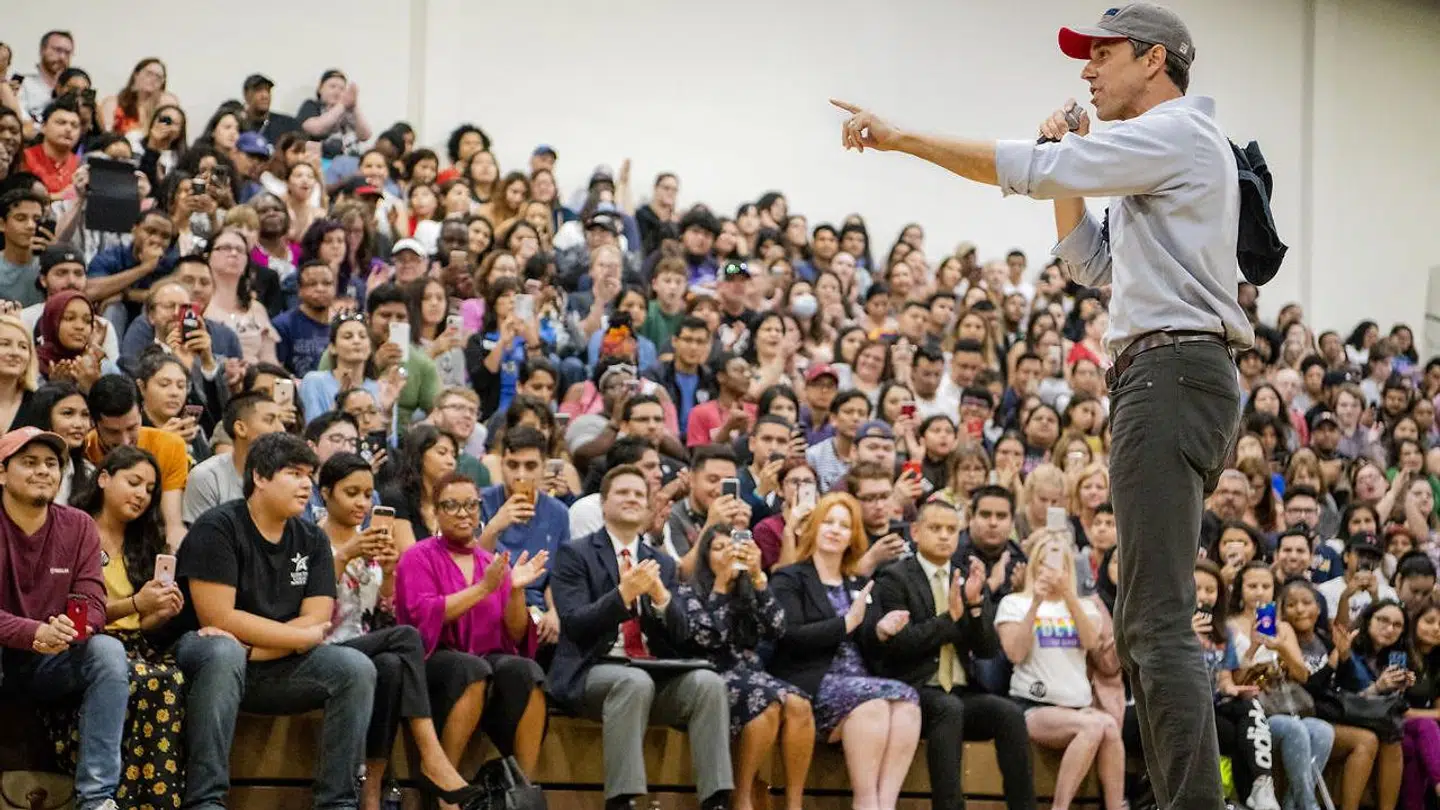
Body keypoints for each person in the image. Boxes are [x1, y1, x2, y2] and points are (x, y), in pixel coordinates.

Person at [831, 7, 1252, 805]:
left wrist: (902, 137)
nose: (1086, 72)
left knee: (1155, 625)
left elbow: (1020, 167)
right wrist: (1068, 163)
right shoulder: (1157, 153)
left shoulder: (1177, 135)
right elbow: (1088, 265)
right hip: (1171, 373)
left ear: (1154, 60)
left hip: (1168, 373)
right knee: (1148, 623)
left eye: (1103, 56)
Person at [167, 432, 377, 810]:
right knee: (222, 650)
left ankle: (338, 803)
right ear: (260, 478)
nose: (305, 485)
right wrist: (293, 639)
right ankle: (205, 800)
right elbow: (219, 617)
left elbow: (318, 621)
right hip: (204, 658)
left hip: (270, 660)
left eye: (309, 475)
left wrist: (259, 647)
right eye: (294, 473)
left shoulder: (311, 538)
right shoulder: (218, 528)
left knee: (356, 667)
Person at [548, 464, 735, 810]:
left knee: (708, 683)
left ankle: (716, 799)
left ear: (649, 507)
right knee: (633, 682)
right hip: (592, 670)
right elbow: (574, 624)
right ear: (603, 504)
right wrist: (623, 595)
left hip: (652, 671)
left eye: (639, 494)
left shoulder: (661, 563)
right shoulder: (575, 554)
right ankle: (623, 800)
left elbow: (683, 638)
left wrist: (663, 599)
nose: (632, 498)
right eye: (622, 492)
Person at [314, 454, 482, 810]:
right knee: (407, 637)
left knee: (391, 665)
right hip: (322, 645)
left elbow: (381, 612)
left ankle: (372, 786)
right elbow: (306, 602)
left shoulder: (371, 540)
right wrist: (344, 555)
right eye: (351, 493)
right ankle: (431, 755)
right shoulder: (309, 537)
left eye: (368, 494)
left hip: (365, 645)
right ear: (326, 493)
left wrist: (390, 574)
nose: (362, 503)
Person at [872, 498, 1037, 810]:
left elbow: (987, 649)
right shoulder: (894, 578)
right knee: (948, 709)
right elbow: (898, 646)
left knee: (1008, 714)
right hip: (913, 688)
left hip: (960, 690)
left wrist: (975, 608)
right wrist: (950, 619)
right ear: (916, 532)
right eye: (936, 528)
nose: (945, 536)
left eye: (951, 529)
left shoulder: (966, 578)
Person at [50, 446, 187, 809]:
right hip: (85, 645)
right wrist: (135, 604)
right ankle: (105, 798)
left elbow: (143, 622)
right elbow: (75, 615)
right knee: (143, 678)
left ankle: (150, 801)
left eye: (150, 489)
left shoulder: (146, 540)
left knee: (171, 677)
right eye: (134, 482)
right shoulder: (71, 529)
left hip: (134, 644)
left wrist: (160, 611)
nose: (142, 494)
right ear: (104, 478)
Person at [0, 426, 129, 810]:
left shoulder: (78, 526)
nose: (43, 471)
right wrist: (33, 631)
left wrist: (71, 629)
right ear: (2, 472)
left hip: (52, 659)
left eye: (51, 464)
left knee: (106, 651)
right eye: (29, 462)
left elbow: (93, 601)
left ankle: (97, 799)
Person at [769, 491, 921, 810]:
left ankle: (885, 803)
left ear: (853, 535)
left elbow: (867, 645)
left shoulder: (857, 582)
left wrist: (880, 631)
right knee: (875, 704)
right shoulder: (789, 577)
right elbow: (789, 636)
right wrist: (846, 623)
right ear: (813, 528)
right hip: (811, 680)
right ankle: (865, 801)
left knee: (907, 700)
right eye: (828, 522)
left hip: (859, 680)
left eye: (844, 524)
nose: (835, 529)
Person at [394, 473, 551, 776]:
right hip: (432, 661)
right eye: (451, 505)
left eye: (471, 504)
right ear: (435, 512)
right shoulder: (417, 557)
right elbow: (423, 615)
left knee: (528, 672)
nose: (463, 513)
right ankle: (444, 778)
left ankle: (523, 786)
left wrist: (515, 590)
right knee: (471, 668)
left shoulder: (489, 563)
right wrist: (483, 589)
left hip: (484, 661)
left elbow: (515, 634)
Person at [676, 524, 814, 810]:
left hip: (751, 673)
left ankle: (794, 804)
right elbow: (706, 637)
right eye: (718, 548)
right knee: (767, 702)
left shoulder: (749, 590)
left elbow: (778, 628)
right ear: (705, 556)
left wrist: (759, 578)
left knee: (800, 704)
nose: (728, 554)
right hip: (710, 675)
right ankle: (742, 795)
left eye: (734, 547)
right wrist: (720, 587)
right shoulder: (688, 593)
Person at [996, 529, 1124, 810]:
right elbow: (1015, 653)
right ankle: (1060, 807)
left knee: (1110, 727)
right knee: (1093, 726)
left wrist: (1067, 593)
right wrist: (1036, 605)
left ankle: (1116, 806)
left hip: (1076, 706)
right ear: (1034, 566)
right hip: (1032, 705)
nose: (1051, 570)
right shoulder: (1013, 604)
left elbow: (1091, 641)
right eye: (1044, 562)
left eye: (1059, 564)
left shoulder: (1086, 607)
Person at [84, 374, 188, 547]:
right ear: (93, 423)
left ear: (141, 411)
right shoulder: (84, 449)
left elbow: (172, 525)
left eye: (132, 428)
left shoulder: (170, 446)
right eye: (113, 432)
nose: (125, 441)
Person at [477, 426, 569, 610]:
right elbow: (470, 568)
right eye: (512, 465)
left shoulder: (558, 512)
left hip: (537, 606)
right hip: (490, 599)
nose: (521, 475)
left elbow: (558, 575)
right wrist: (494, 527)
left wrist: (554, 612)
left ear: (544, 467)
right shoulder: (479, 502)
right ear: (501, 464)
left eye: (530, 466)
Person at [181, 391, 285, 524]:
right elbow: (201, 539)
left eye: (281, 420)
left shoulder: (288, 476)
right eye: (269, 420)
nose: (281, 429)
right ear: (241, 428)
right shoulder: (207, 477)